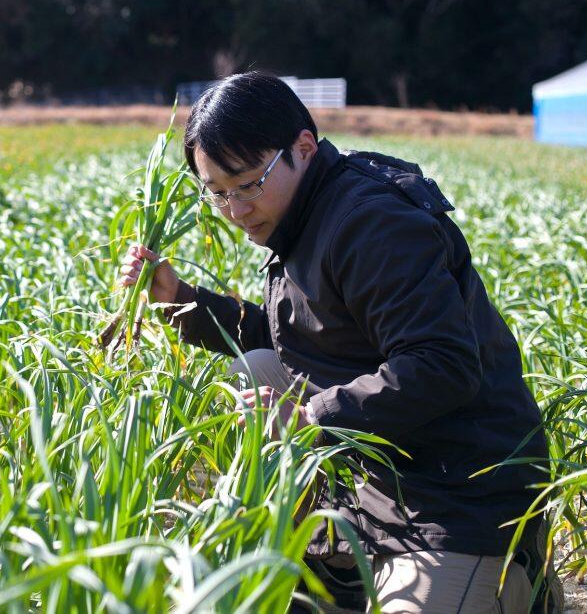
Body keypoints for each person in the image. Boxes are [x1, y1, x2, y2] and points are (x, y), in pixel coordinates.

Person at [118, 72, 560, 612]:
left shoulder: (371, 223)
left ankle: (521, 580)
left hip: (458, 489)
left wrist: (311, 417)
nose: (235, 210)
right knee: (253, 374)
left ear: (303, 148)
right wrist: (179, 299)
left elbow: (443, 364)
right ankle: (345, 559)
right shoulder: (304, 212)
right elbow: (294, 336)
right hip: (382, 465)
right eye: (217, 194)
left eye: (248, 184)